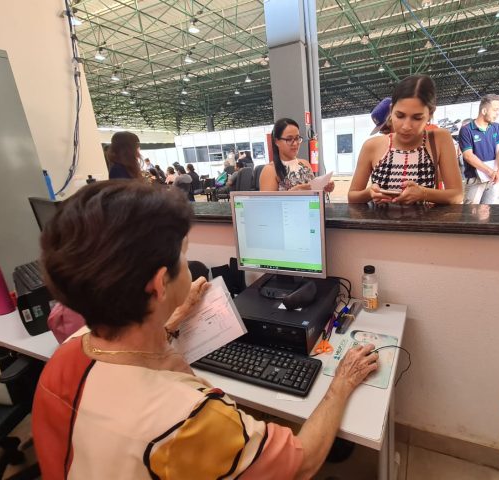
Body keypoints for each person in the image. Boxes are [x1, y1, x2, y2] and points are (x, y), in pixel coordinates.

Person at [32, 181, 379, 479]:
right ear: (158, 285)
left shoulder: (65, 357)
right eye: (183, 256)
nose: (188, 264)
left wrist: (171, 320)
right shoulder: (189, 419)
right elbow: (301, 463)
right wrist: (341, 383)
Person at [347, 75, 463, 205]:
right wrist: (369, 193)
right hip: (381, 225)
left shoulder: (439, 139)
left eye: (417, 118)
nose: (406, 126)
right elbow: (352, 196)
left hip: (423, 225)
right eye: (400, 115)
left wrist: (424, 193)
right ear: (391, 110)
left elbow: (457, 195)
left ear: (430, 114)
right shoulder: (372, 146)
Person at [260, 118, 335, 193]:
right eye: (289, 139)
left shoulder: (305, 164)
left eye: (297, 138)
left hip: (312, 205)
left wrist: (323, 188)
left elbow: (314, 193)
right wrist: (293, 193)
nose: (295, 143)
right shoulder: (270, 170)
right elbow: (267, 203)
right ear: (276, 141)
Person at [458, 94, 499, 204]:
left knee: (487, 212)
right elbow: (468, 155)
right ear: (484, 111)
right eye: (495, 110)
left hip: (494, 179)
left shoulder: (496, 128)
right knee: (470, 214)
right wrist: (489, 171)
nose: (497, 113)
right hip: (476, 179)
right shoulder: (467, 130)